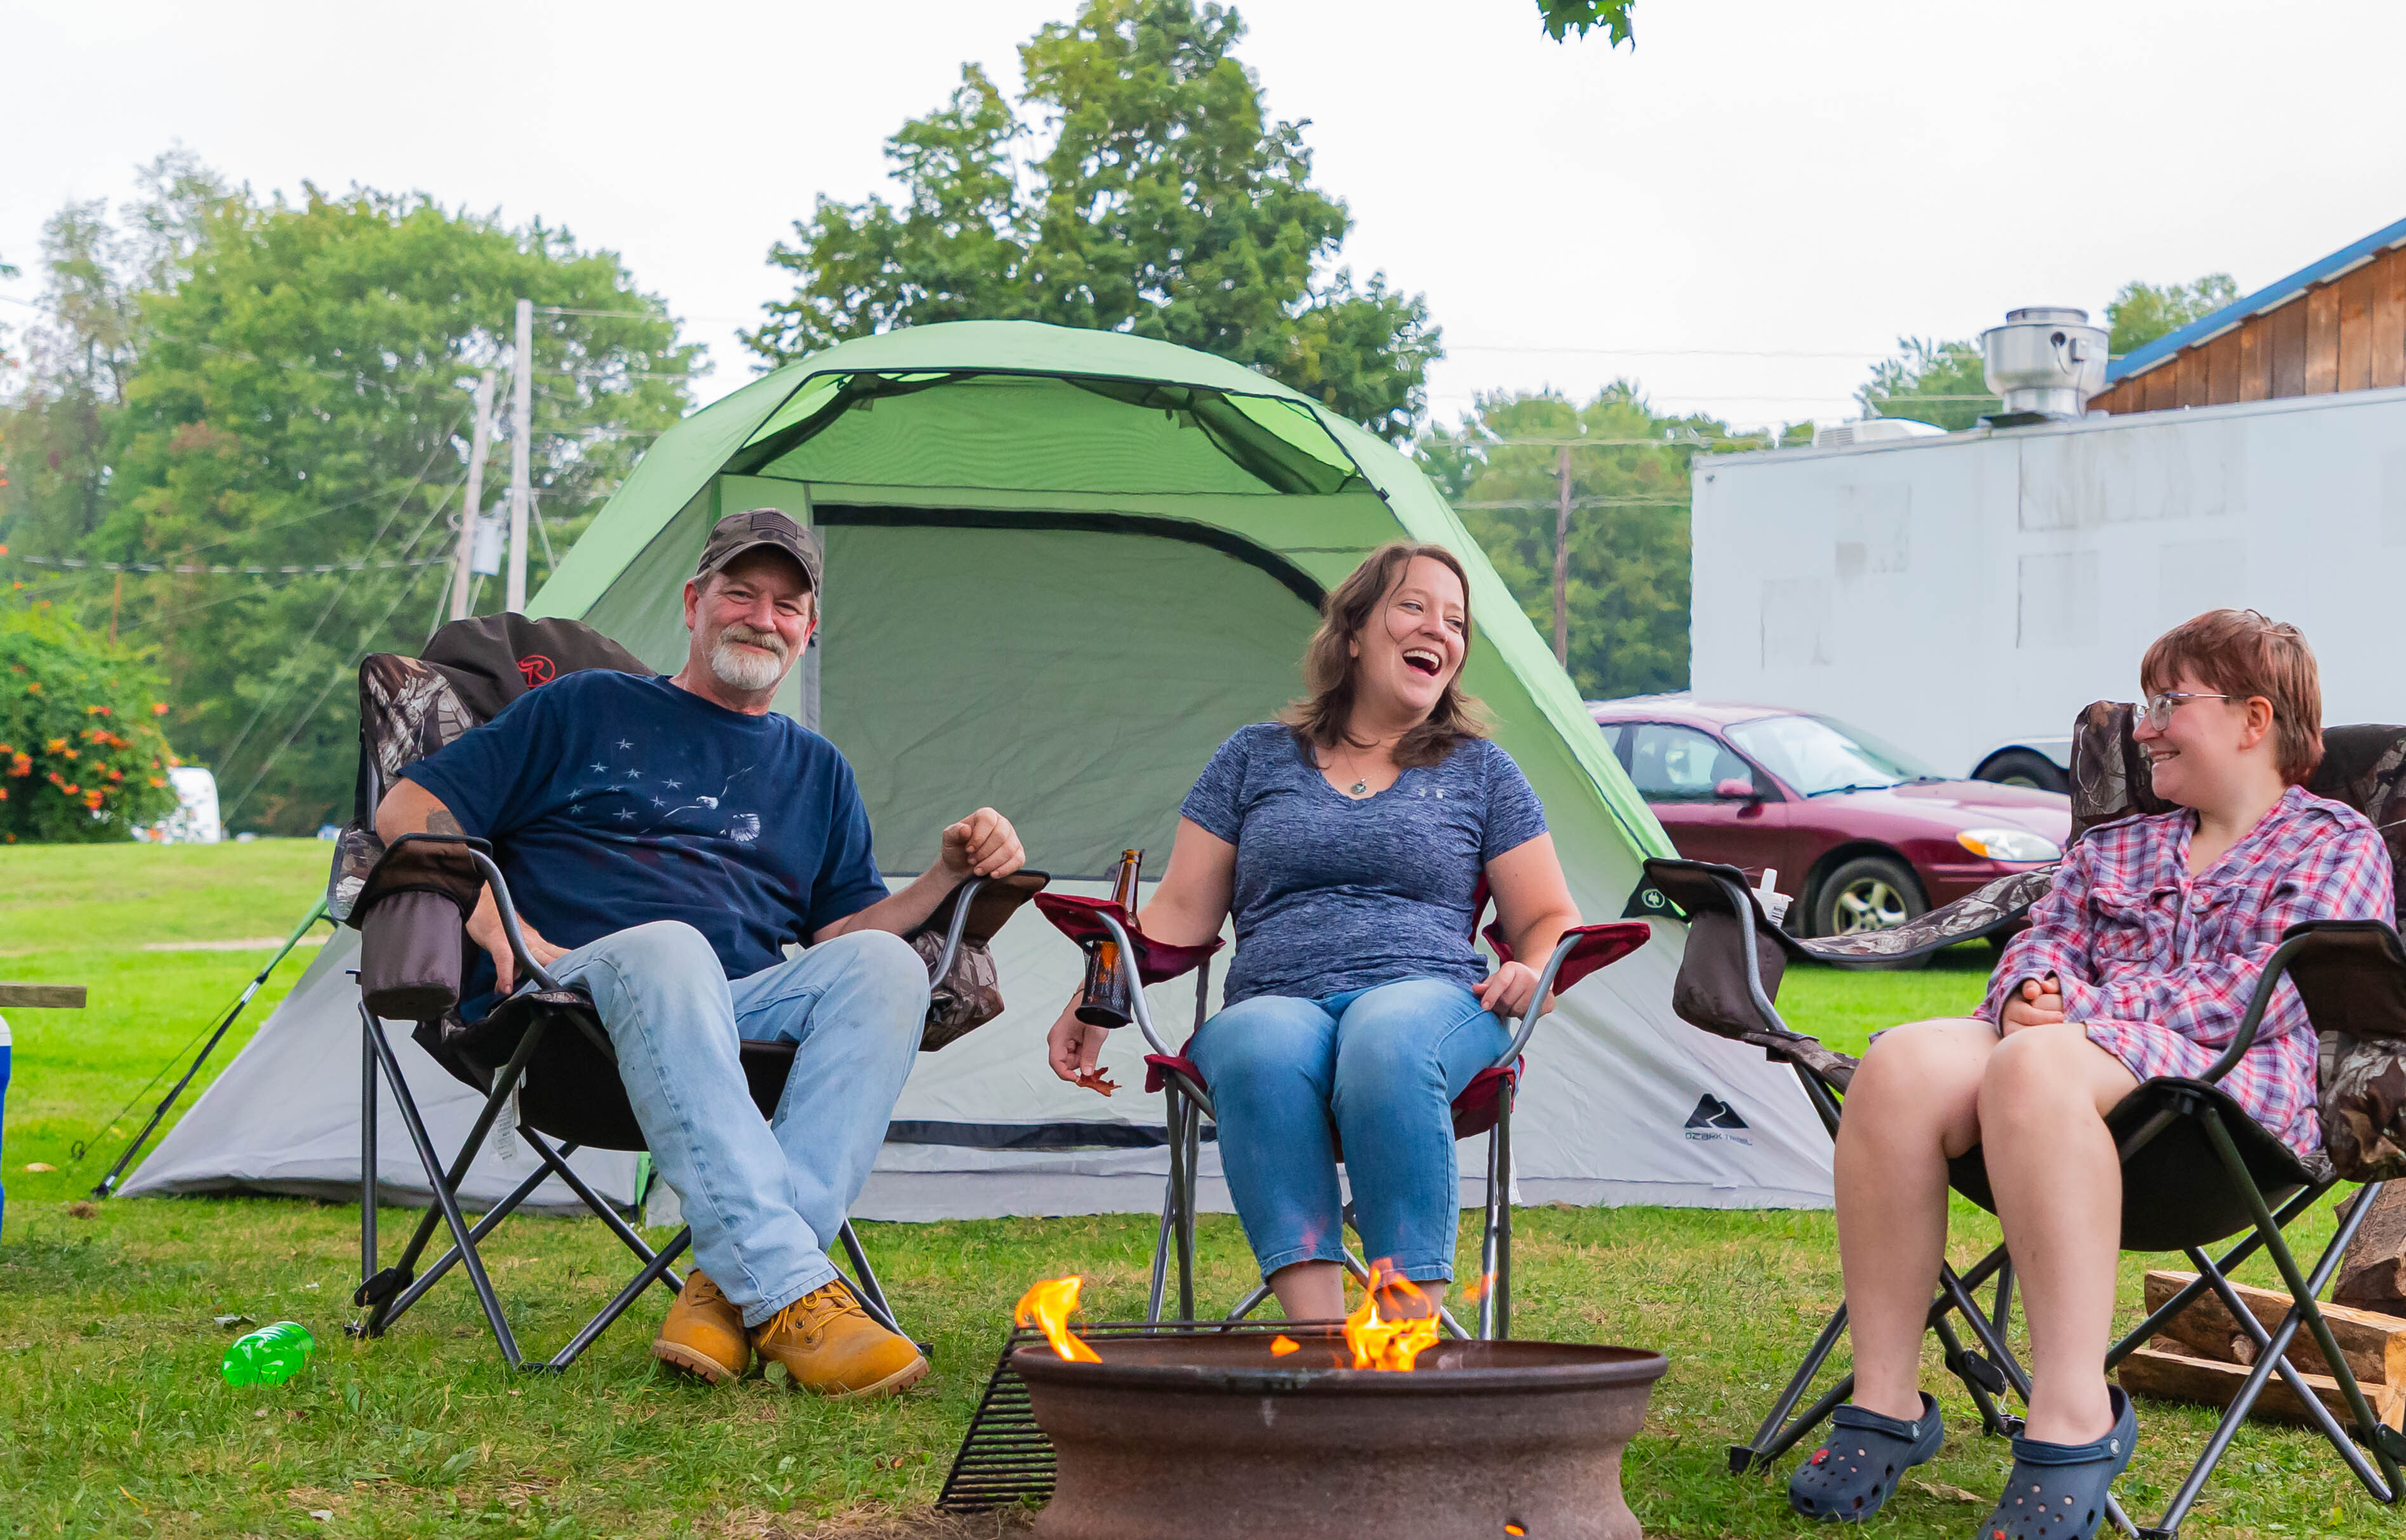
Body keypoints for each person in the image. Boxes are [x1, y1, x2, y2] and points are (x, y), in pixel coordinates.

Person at [374, 508, 1026, 1398]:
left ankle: (727, 1287)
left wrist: (946, 873)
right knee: (671, 948)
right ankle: (796, 1291)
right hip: (567, 997)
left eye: (787, 604)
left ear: (808, 629)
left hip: (733, 1009)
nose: (763, 616)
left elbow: (839, 938)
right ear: (693, 602)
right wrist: (491, 909)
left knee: (886, 965)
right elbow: (405, 807)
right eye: (740, 593)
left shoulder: (817, 768)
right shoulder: (584, 704)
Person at [1789, 609, 2393, 1540]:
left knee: (2034, 1059)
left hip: (2225, 1115)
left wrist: (2080, 1019)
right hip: (2068, 1081)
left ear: (2251, 717)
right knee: (1901, 1060)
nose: (2144, 725)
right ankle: (1887, 1398)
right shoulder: (2123, 845)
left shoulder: (2333, 842)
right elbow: (2044, 936)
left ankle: (2072, 1413)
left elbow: (2268, 990)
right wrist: (2032, 989)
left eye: (2169, 701)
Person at [1043, 541, 1583, 1322]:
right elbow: (1176, 916)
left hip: (1429, 997)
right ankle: (1324, 1342)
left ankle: (1404, 1342)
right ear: (1355, 630)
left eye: (1456, 621)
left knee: (1385, 1034)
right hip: (1275, 997)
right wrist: (1100, 996)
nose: (1440, 628)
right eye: (1413, 606)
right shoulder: (1253, 757)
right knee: (1258, 1043)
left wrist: (1534, 968)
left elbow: (1546, 918)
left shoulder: (1481, 772)